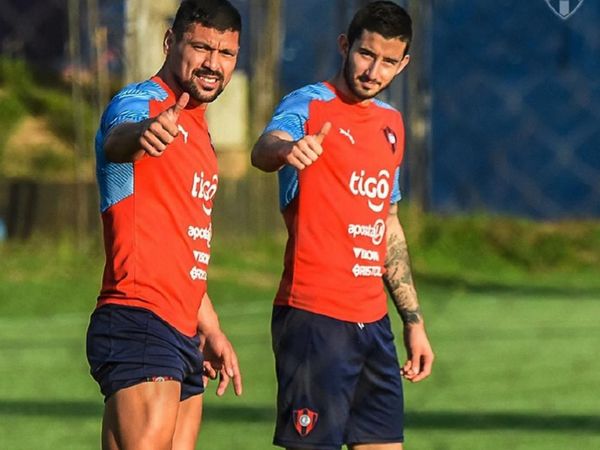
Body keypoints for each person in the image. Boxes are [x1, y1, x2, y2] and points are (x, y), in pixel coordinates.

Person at [251, 2, 434, 449]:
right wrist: (289, 148)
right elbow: (264, 147)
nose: (374, 70)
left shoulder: (391, 124)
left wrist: (412, 320)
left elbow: (386, 222)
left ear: (403, 63)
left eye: (389, 61)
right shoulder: (310, 104)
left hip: (373, 322)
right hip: (315, 317)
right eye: (366, 54)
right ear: (344, 45)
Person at [86, 1, 243, 449]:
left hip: (183, 332)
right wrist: (144, 133)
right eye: (200, 47)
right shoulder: (143, 101)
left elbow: (183, 248)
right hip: (139, 318)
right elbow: (119, 135)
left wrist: (209, 327)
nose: (214, 63)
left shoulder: (202, 136)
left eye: (226, 53)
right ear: (171, 41)